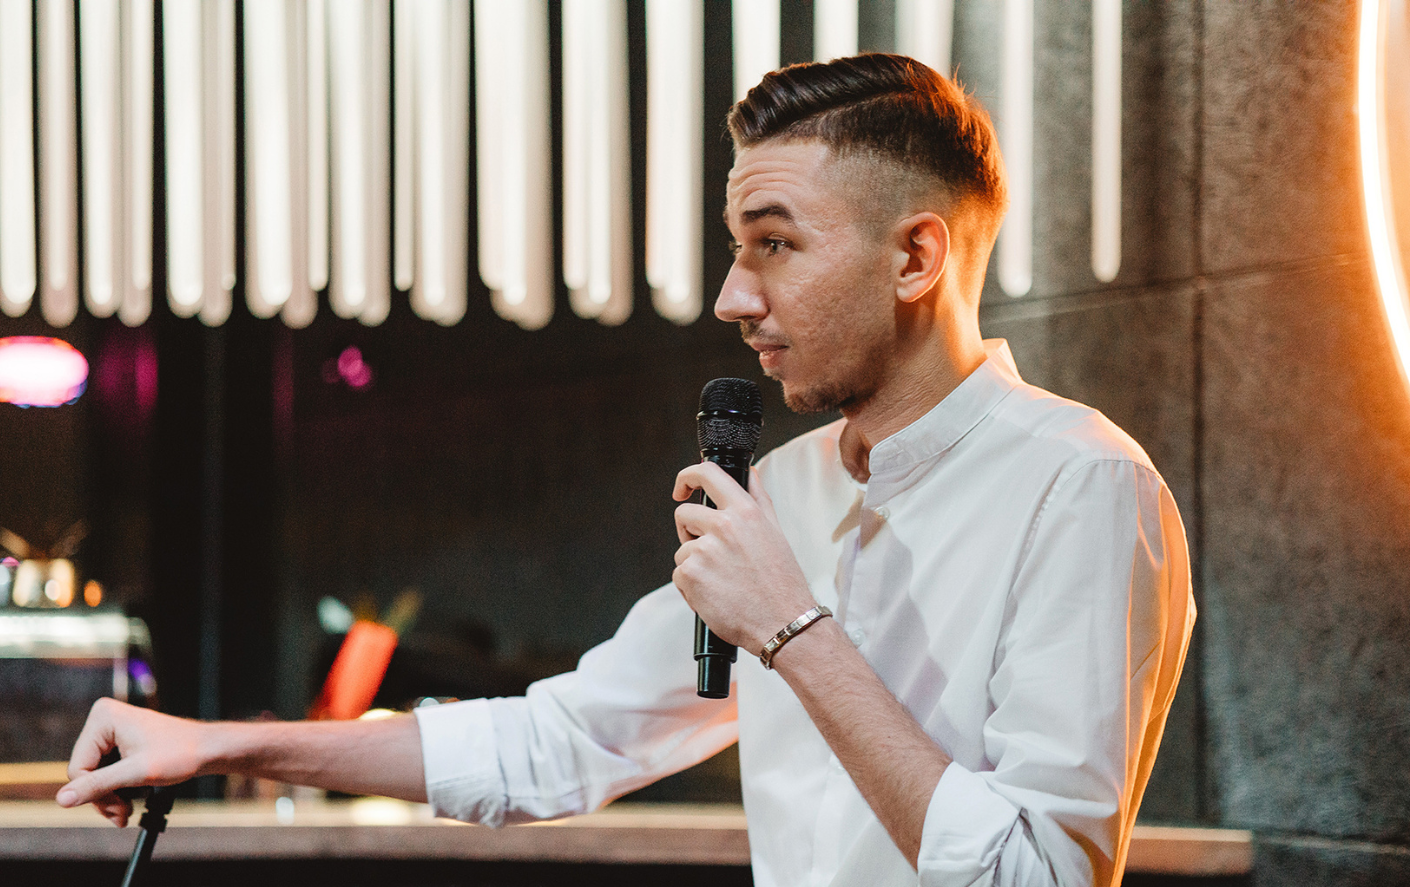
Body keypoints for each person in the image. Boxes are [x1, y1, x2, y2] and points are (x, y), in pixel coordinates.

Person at [58, 54, 1194, 887]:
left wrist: (791, 626)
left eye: (775, 242)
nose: (732, 296)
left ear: (916, 256)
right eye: (736, 247)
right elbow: (559, 738)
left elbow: (1037, 874)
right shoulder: (786, 489)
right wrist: (218, 742)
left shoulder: (1083, 487)